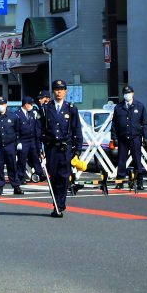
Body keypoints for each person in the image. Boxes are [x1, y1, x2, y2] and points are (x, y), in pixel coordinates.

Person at [39, 80, 83, 218]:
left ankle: (59, 204)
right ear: (53, 92)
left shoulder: (71, 108)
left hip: (65, 148)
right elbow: (39, 129)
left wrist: (78, 150)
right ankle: (56, 203)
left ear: (65, 92)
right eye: (56, 89)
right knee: (53, 177)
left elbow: (77, 129)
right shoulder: (46, 108)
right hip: (51, 147)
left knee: (64, 177)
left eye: (61, 89)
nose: (59, 92)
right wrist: (39, 149)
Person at [110, 85, 147, 190]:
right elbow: (114, 124)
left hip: (135, 137)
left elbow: (144, 123)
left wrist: (145, 137)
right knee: (121, 160)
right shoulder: (118, 107)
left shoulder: (139, 106)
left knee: (137, 160)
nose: (127, 95)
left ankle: (139, 181)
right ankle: (120, 181)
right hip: (122, 138)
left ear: (133, 93)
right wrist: (114, 138)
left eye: (129, 93)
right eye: (125, 93)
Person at [0, 96, 23, 195]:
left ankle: (16, 186)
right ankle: (0, 186)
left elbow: (17, 130)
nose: (1, 106)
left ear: (6, 105)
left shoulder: (13, 116)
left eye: (3, 104)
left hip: (10, 145)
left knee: (12, 166)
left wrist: (16, 143)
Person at [15, 96, 45, 184]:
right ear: (26, 104)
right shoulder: (17, 114)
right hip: (22, 140)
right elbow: (16, 129)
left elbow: (36, 127)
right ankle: (21, 177)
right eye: (30, 104)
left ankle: (40, 173)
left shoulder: (32, 113)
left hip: (32, 139)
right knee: (22, 159)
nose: (31, 106)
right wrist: (17, 142)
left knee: (36, 157)